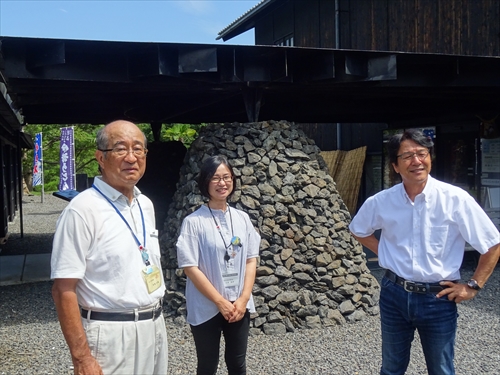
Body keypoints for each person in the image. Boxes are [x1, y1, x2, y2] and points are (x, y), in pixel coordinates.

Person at [349, 129, 500, 375]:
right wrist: (384, 252)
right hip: (394, 294)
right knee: (391, 368)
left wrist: (473, 286)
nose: (416, 161)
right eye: (407, 156)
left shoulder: (455, 199)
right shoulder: (381, 202)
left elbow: (492, 244)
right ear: (395, 166)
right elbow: (358, 229)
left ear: (430, 158)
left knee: (441, 369)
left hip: (438, 298)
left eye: (422, 153)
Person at [51, 120, 168, 375]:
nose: (131, 157)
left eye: (138, 149)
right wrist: (82, 358)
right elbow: (63, 289)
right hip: (111, 333)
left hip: (154, 325)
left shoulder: (144, 204)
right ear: (100, 158)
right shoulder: (82, 210)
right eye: (120, 149)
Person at [176, 155, 260, 375]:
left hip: (239, 305)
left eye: (227, 177)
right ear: (205, 182)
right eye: (215, 178)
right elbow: (190, 267)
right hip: (206, 305)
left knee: (238, 364)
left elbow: (251, 259)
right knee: (207, 366)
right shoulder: (194, 222)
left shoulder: (242, 218)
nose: (222, 183)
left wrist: (243, 299)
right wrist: (220, 301)